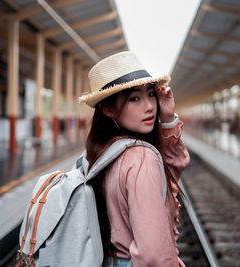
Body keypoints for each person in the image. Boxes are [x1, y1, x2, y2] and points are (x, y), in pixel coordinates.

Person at [78, 51, 190, 266]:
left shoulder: (100, 153)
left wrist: (166, 120)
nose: (149, 106)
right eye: (134, 98)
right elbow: (154, 257)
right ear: (108, 108)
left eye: (150, 94)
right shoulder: (141, 158)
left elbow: (170, 173)